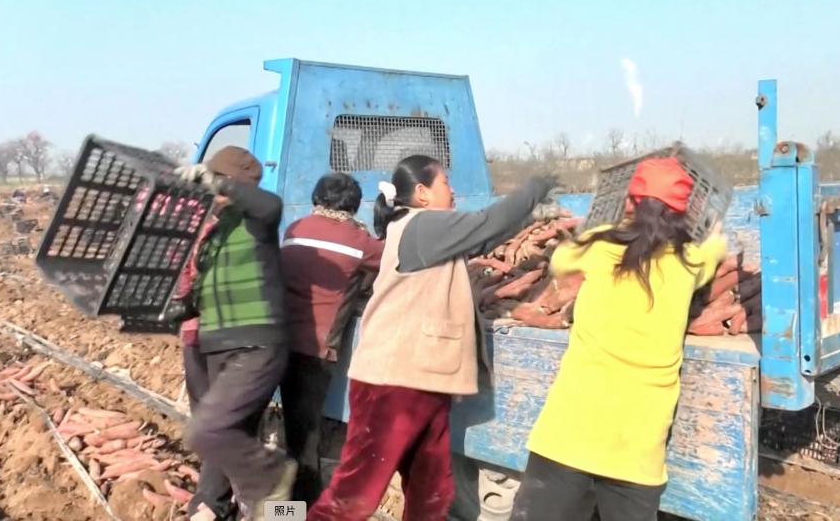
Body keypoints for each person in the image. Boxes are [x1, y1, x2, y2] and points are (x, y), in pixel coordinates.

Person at [307, 155, 558, 521]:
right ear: (422, 193)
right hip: (393, 382)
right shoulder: (422, 225)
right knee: (354, 496)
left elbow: (482, 236)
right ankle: (279, 511)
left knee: (431, 492)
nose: (452, 190)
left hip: (421, 380)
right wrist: (535, 188)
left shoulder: (420, 229)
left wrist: (531, 217)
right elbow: (485, 224)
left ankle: (278, 508)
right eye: (445, 183)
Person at [509, 157, 727, 521]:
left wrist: (606, 230)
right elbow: (714, 249)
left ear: (630, 203)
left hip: (569, 434)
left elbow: (559, 261)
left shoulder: (597, 247)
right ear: (683, 213)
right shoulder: (689, 262)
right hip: (637, 452)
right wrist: (714, 234)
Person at [172, 146, 296, 521]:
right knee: (223, 433)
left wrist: (218, 183)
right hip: (217, 343)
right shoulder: (215, 229)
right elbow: (201, 289)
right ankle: (257, 510)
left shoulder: (257, 219)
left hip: (256, 345)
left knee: (213, 429)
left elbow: (270, 205)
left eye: (217, 180)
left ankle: (253, 501)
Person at [279, 172, 384, 504]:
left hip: (278, 342)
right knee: (305, 444)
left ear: (317, 199)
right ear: (353, 205)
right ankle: (296, 512)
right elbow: (392, 259)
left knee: (292, 435)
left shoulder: (295, 229)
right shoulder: (357, 240)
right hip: (315, 352)